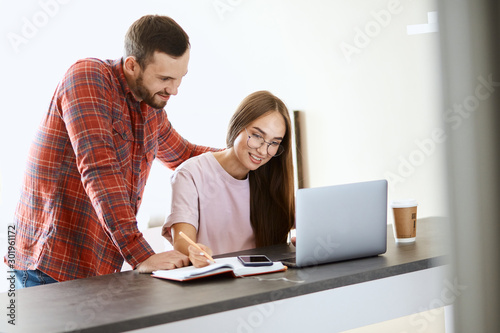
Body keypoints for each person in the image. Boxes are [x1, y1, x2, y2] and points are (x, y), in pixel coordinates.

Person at [8, 15, 219, 288]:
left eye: (180, 78)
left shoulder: (150, 106)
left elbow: (184, 154)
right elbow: (98, 168)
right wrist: (141, 255)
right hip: (48, 262)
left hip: (97, 267)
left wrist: (245, 153)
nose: (174, 90)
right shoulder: (87, 78)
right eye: (165, 78)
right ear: (132, 65)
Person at [162, 90, 295, 267]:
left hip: (259, 279)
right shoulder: (191, 174)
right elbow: (182, 241)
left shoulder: (271, 179)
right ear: (237, 126)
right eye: (257, 136)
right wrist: (194, 252)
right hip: (210, 281)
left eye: (274, 143)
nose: (263, 151)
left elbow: (309, 222)